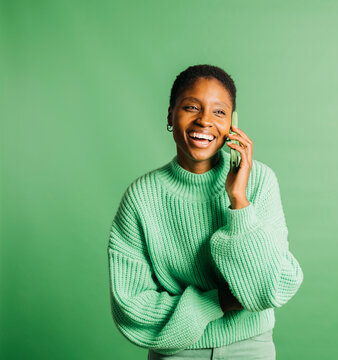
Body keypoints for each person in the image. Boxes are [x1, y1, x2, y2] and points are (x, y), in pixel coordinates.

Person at [106, 64, 304, 359]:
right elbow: (131, 308)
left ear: (233, 123)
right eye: (191, 107)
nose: (204, 121)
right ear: (171, 114)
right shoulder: (140, 197)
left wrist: (239, 201)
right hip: (176, 351)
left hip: (252, 347)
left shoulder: (259, 181)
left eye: (219, 112)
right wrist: (218, 301)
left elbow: (269, 289)